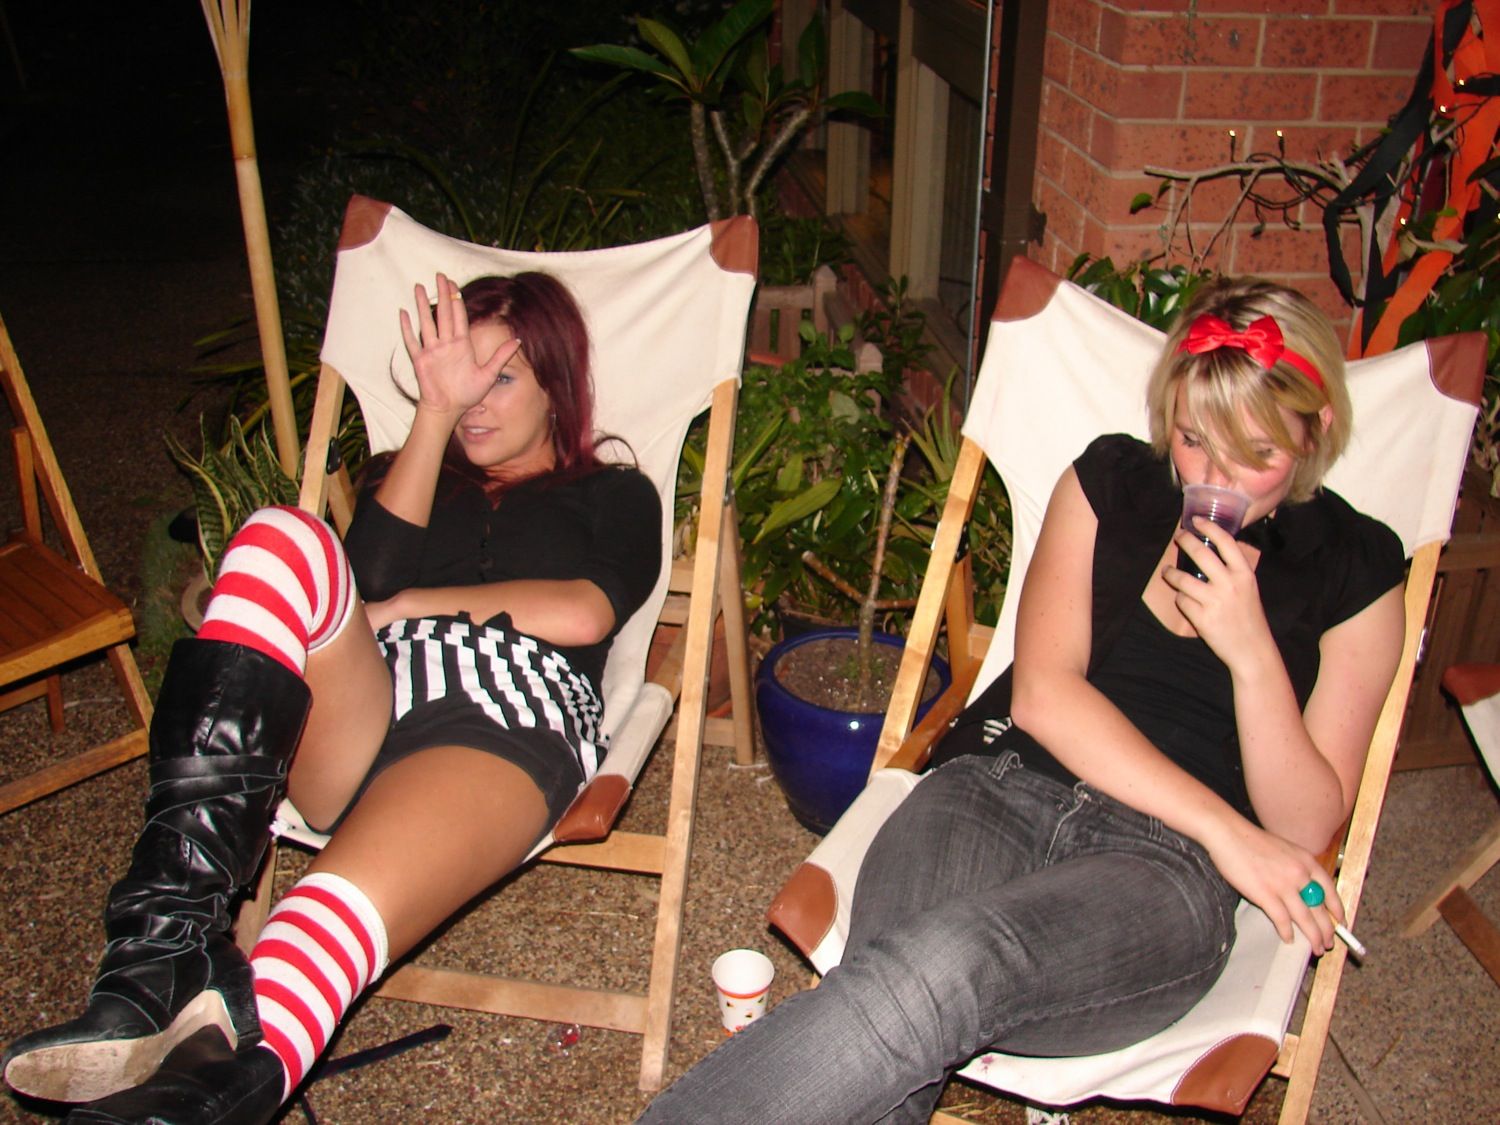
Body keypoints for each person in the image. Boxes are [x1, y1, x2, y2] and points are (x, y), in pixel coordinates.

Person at [638, 278, 1407, 1124]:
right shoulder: (1111, 481)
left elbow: (1304, 825)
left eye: (1253, 451)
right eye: (1192, 438)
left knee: (941, 966)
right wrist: (1233, 833)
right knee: (911, 986)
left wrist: (1251, 652)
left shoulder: (1358, 569)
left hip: (1165, 868)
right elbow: (1043, 696)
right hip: (994, 785)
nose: (1213, 475)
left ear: (1314, 429)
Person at [3, 271, 661, 1124]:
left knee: (315, 920)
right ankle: (157, 955)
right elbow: (361, 581)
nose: (475, 399)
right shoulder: (411, 472)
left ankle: (190, 1091)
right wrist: (433, 412)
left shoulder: (614, 494)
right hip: (365, 704)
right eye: (458, 374)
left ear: (556, 385)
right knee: (279, 533)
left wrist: (410, 606)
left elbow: (584, 612)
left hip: (502, 712)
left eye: (499, 376)